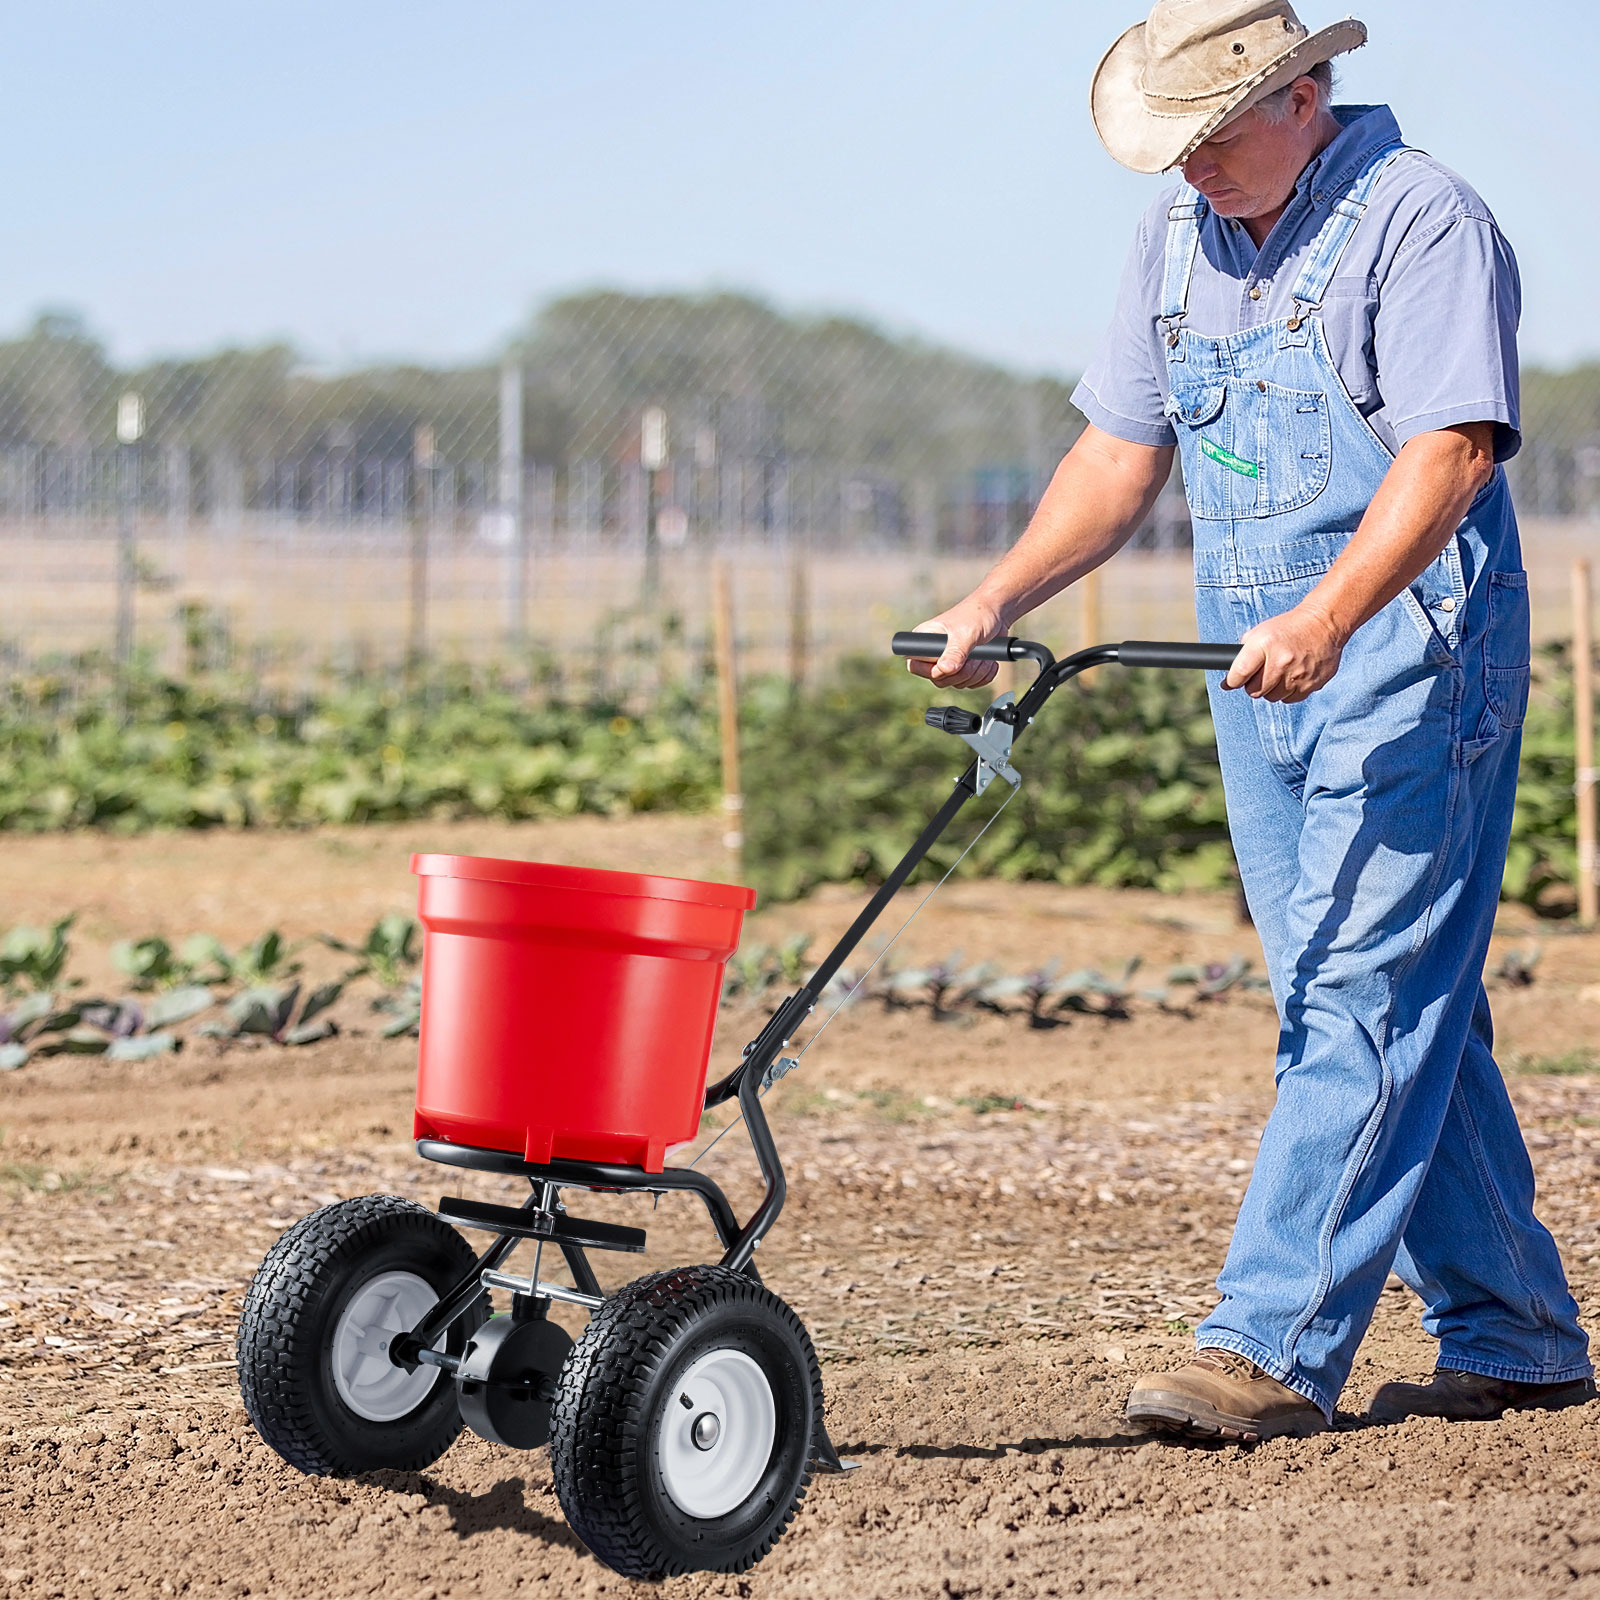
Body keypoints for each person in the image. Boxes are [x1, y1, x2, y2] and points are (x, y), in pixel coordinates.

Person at [910, 0, 1593, 1440]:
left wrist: (1333, 616)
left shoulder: (1423, 223)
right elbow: (1118, 451)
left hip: (1411, 654)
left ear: (1304, 93)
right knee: (1373, 993)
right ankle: (1519, 1333)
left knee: (1359, 990)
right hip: (1257, 666)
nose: (1190, 167)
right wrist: (999, 598)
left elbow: (1454, 446)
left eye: (1211, 133)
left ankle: (1273, 1341)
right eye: (1173, 142)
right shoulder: (1178, 238)